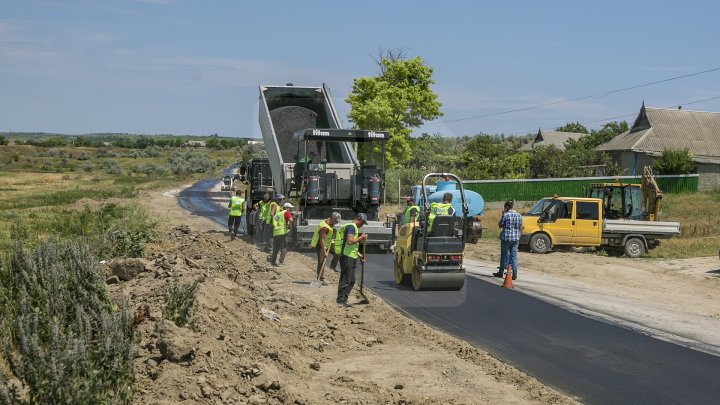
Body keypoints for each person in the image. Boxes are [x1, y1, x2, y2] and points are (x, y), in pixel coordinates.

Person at [335, 213, 368, 308]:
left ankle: (344, 299)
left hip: (352, 256)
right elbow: (350, 242)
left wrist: (359, 255)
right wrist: (361, 238)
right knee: (346, 279)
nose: (362, 225)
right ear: (358, 219)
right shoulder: (352, 227)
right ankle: (340, 300)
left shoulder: (352, 227)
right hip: (347, 256)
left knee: (352, 280)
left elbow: (351, 244)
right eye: (362, 222)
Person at [493, 200, 523, 280]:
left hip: (506, 238)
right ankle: (515, 273)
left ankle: (500, 272)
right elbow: (521, 226)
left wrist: (502, 214)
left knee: (504, 254)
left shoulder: (505, 215)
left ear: (506, 207)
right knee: (514, 256)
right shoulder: (519, 215)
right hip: (515, 238)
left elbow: (500, 225)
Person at [311, 212, 341, 282]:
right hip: (321, 245)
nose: (337, 223)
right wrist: (324, 252)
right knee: (321, 262)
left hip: (329, 244)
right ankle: (320, 278)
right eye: (336, 221)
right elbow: (322, 239)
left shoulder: (329, 222)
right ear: (333, 219)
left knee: (338, 252)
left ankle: (332, 266)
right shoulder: (324, 227)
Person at [269, 201, 294, 267]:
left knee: (276, 248)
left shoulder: (279, 214)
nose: (291, 209)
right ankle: (280, 262)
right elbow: (291, 220)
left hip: (276, 233)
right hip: (283, 232)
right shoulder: (286, 212)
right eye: (290, 208)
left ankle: (273, 262)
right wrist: (289, 226)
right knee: (284, 247)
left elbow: (274, 221)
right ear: (287, 208)